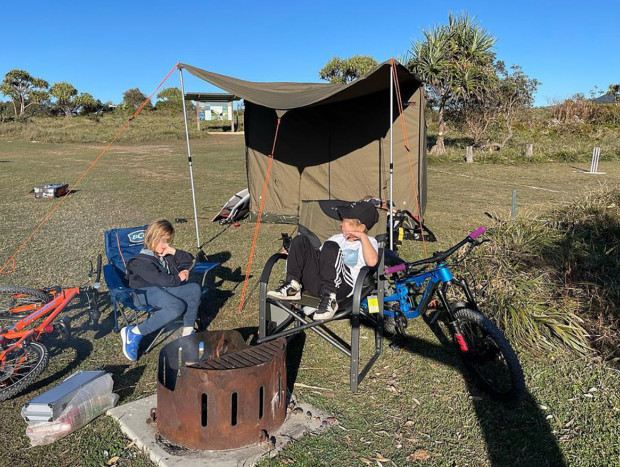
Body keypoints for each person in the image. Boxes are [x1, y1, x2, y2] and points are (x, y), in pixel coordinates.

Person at [267, 201, 379, 320]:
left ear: (361, 227)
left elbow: (372, 262)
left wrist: (363, 237)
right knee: (300, 240)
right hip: (318, 284)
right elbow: (318, 259)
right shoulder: (337, 238)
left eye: (346, 222)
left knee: (331, 246)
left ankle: (330, 299)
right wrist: (296, 253)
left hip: (342, 288)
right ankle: (293, 287)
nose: (341, 225)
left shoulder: (369, 242)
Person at [120, 219, 201, 361]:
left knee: (193, 289)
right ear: (153, 239)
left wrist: (173, 251)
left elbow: (188, 260)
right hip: (144, 293)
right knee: (177, 306)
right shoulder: (139, 261)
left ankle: (187, 334)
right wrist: (179, 277)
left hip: (163, 289)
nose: (166, 246)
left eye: (168, 242)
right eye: (163, 242)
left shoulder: (164, 255)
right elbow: (161, 280)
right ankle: (134, 332)